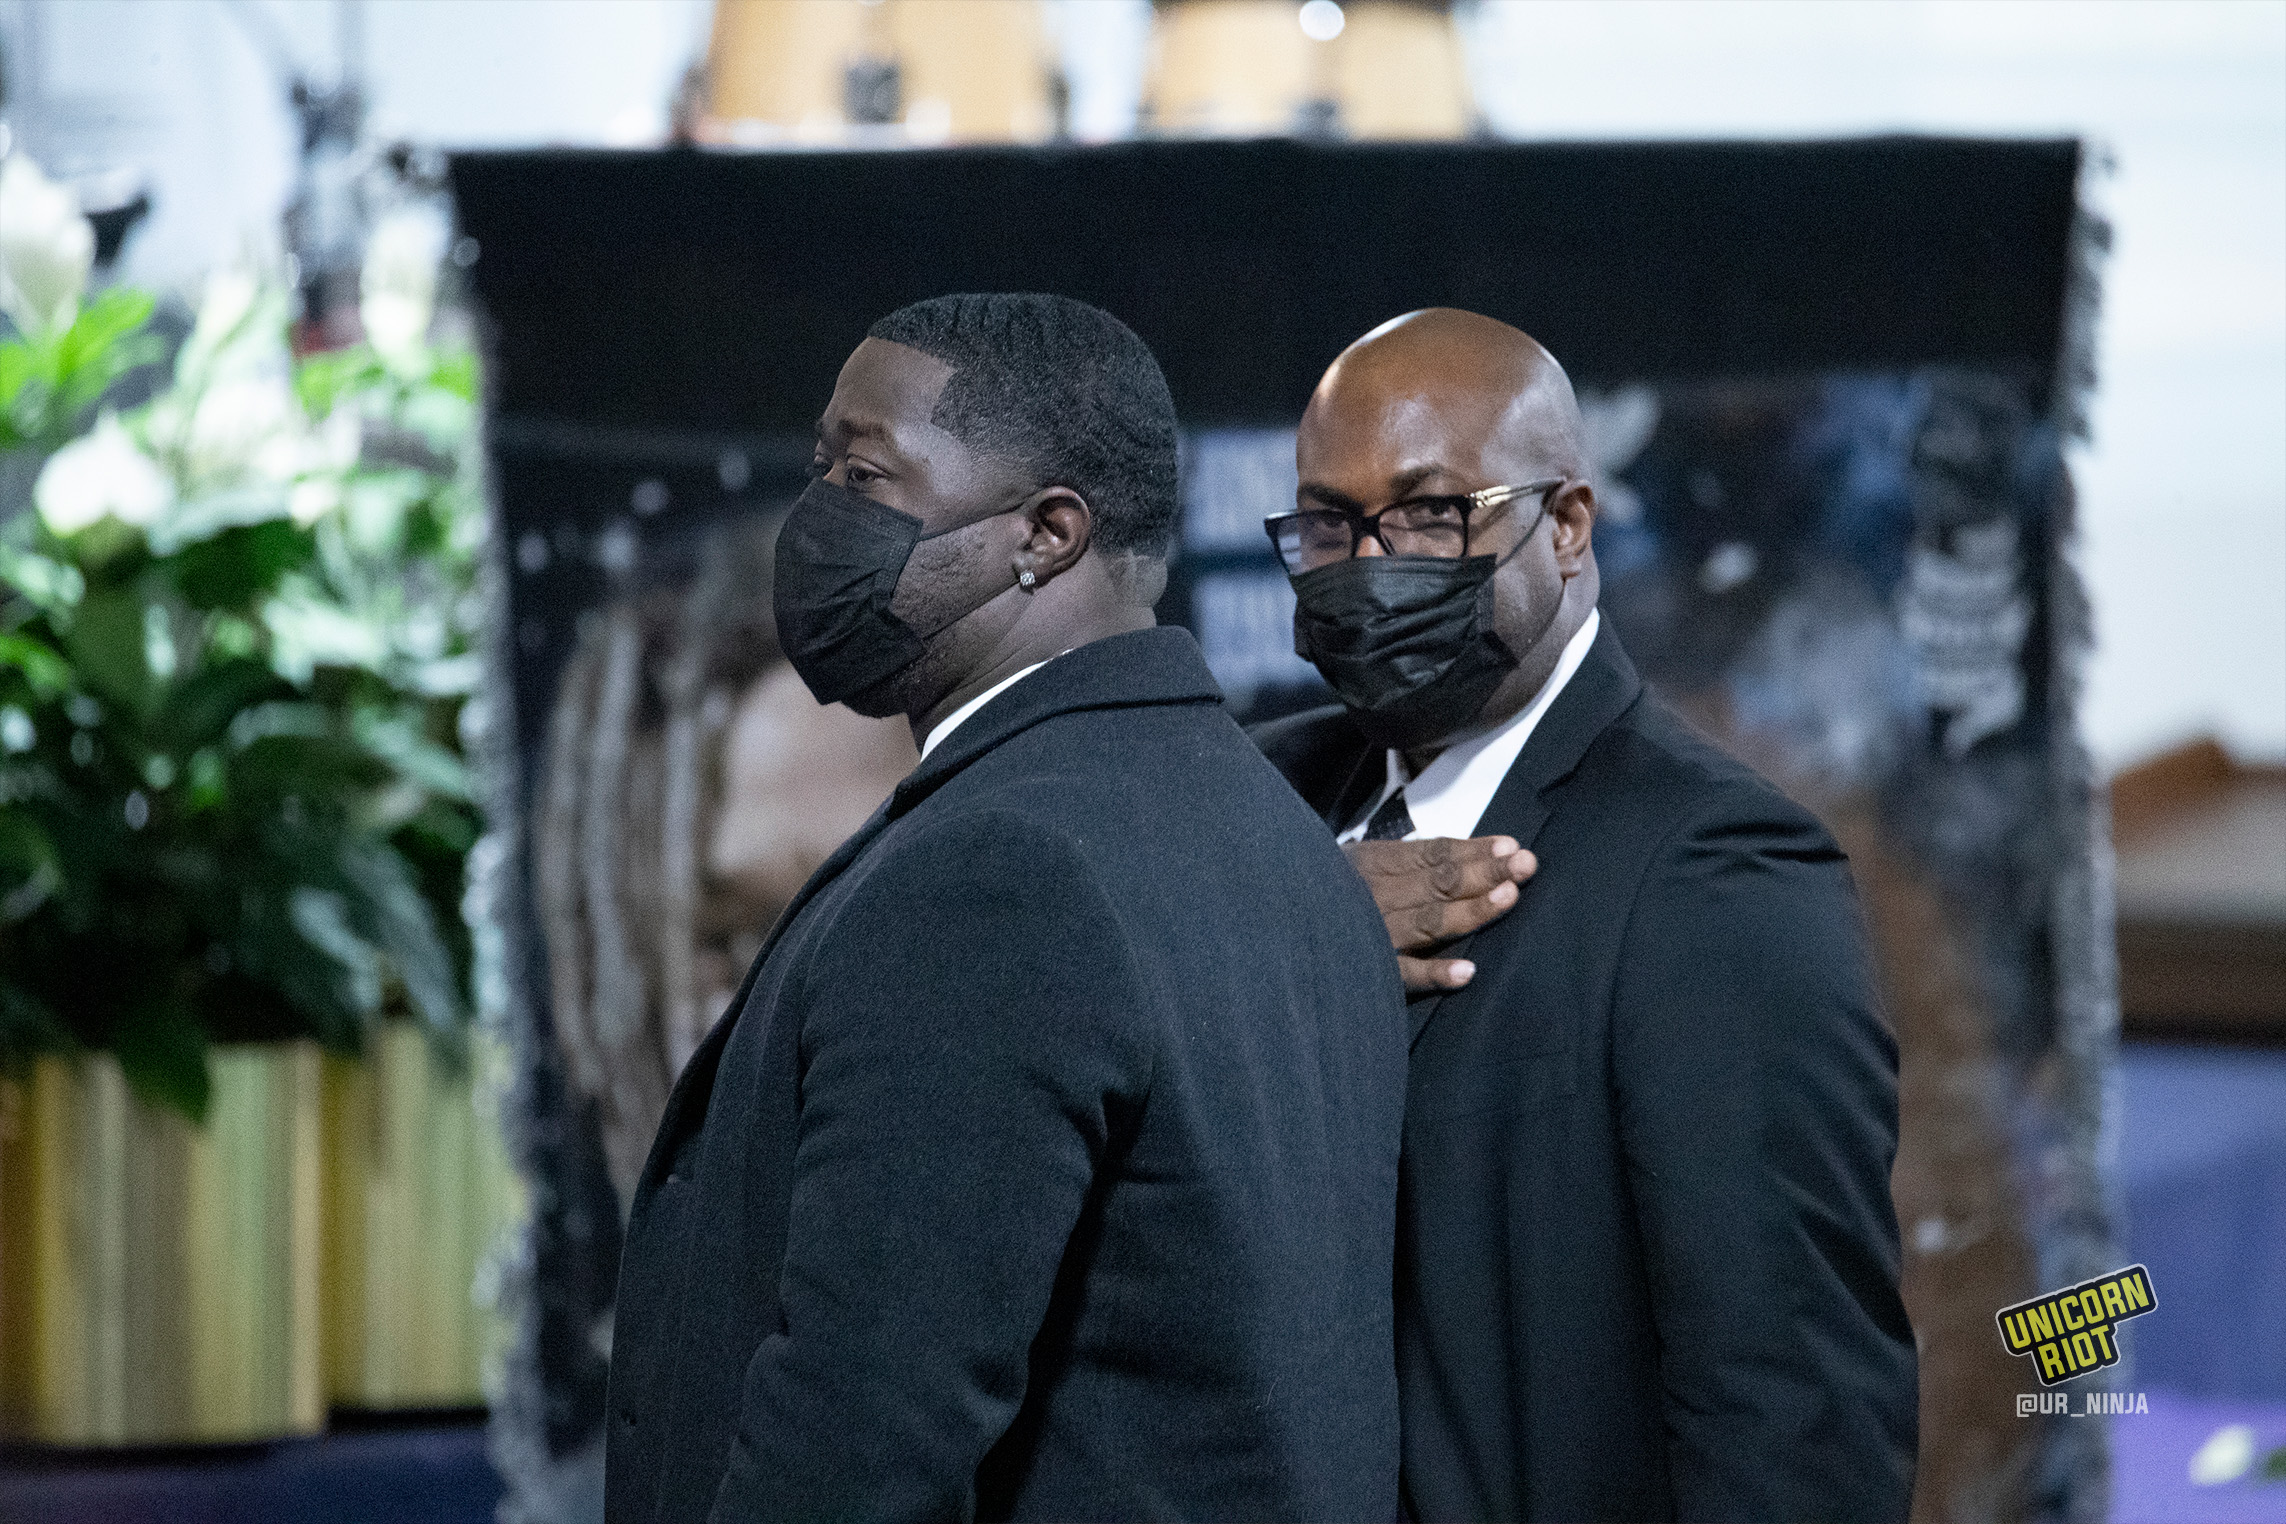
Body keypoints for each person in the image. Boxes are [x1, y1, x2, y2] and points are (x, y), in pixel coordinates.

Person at [604, 293, 1406, 1524]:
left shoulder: (990, 880)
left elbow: (860, 1442)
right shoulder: (1269, 827)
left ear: (1046, 533)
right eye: (820, 465)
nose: (818, 515)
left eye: (866, 473)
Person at [1253, 308, 1919, 1523]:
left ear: (1564, 527)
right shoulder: (1251, 815)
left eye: (1428, 514)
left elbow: (1796, 1405)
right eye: (1328, 526)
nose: (1367, 566)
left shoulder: (1714, 869)